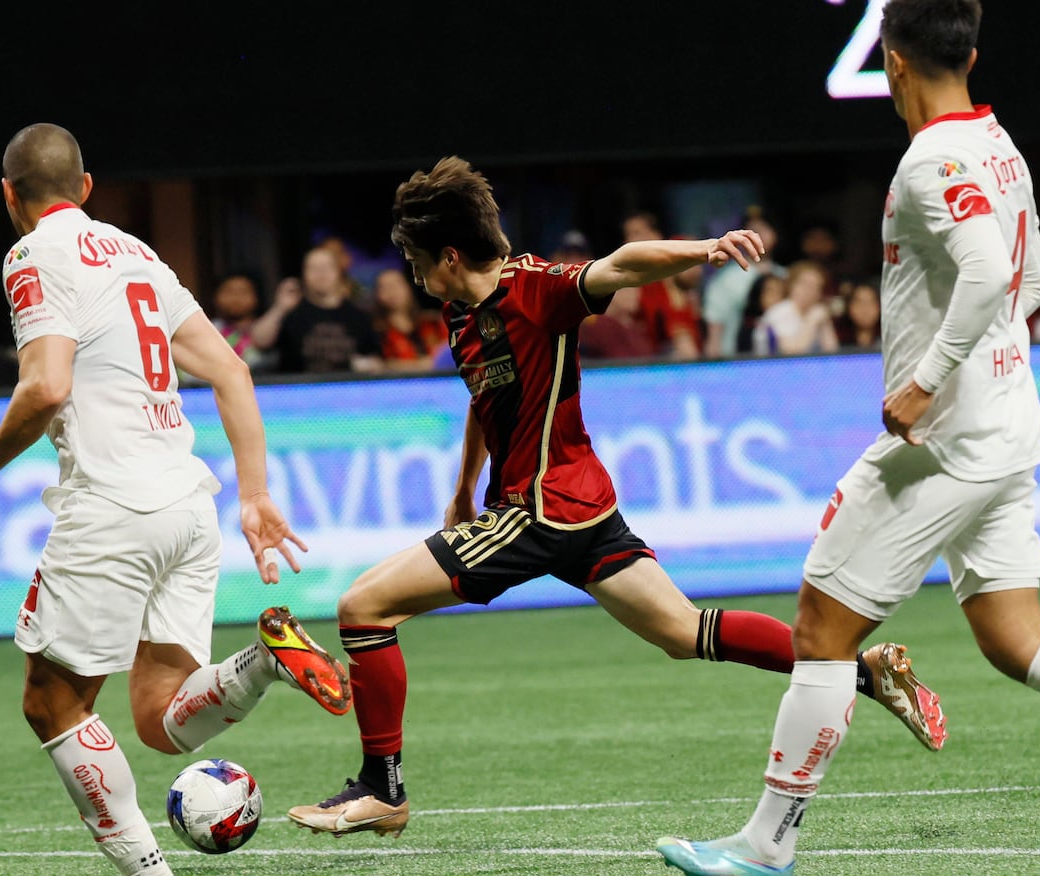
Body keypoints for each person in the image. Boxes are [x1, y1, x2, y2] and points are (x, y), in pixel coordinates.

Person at [655, 0, 1040, 876]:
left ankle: (768, 844)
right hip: (1007, 426)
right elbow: (1033, 280)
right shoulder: (999, 144)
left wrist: (928, 378)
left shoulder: (930, 159)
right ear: (969, 51)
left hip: (946, 442)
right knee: (1015, 638)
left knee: (820, 625)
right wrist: (990, 366)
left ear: (890, 60)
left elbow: (987, 273)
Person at [285, 158, 944, 838]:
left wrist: (707, 249)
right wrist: (461, 492)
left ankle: (381, 789)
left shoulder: (535, 289)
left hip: (541, 510)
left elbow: (622, 266)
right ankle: (862, 673)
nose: (417, 279)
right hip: (581, 508)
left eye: (420, 263)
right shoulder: (461, 314)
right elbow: (485, 403)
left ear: (450, 256)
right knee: (684, 634)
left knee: (362, 607)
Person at [0, 124, 352, 876]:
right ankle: (264, 660)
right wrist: (255, 495)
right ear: (87, 188)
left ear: (8, 197)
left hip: (111, 510)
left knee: (52, 703)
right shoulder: (135, 251)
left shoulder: (30, 257)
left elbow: (45, 386)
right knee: (159, 715)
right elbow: (232, 369)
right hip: (187, 505)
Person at [268, 247, 383, 374]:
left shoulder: (359, 316)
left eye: (326, 267)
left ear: (338, 271)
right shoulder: (292, 312)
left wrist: (369, 364)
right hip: (300, 390)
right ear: (304, 274)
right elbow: (260, 342)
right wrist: (279, 308)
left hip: (347, 389)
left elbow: (377, 361)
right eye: (314, 268)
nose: (321, 273)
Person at [703, 209, 786, 357]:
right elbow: (714, 332)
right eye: (752, 231)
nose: (758, 236)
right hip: (736, 361)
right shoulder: (725, 279)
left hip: (782, 360)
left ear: (775, 234)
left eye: (764, 229)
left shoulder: (784, 276)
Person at [638, 237, 706, 358]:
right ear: (672, 264)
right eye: (691, 264)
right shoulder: (649, 298)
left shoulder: (694, 302)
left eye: (699, 264)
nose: (697, 271)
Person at [752, 260, 839, 354]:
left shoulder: (818, 312)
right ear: (792, 285)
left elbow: (832, 353)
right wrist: (812, 321)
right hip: (775, 366)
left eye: (816, 287)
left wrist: (824, 323)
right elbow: (791, 352)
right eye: (806, 284)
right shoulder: (780, 312)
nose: (810, 291)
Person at [372, 267, 439, 372]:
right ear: (378, 294)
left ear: (408, 287)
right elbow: (378, 365)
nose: (392, 291)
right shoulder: (377, 332)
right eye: (385, 287)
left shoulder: (433, 323)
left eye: (396, 284)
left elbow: (449, 355)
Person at [837, 279, 881, 348]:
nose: (865, 310)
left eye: (870, 302)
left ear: (879, 307)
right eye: (859, 302)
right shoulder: (837, 336)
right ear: (849, 307)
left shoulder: (889, 337)